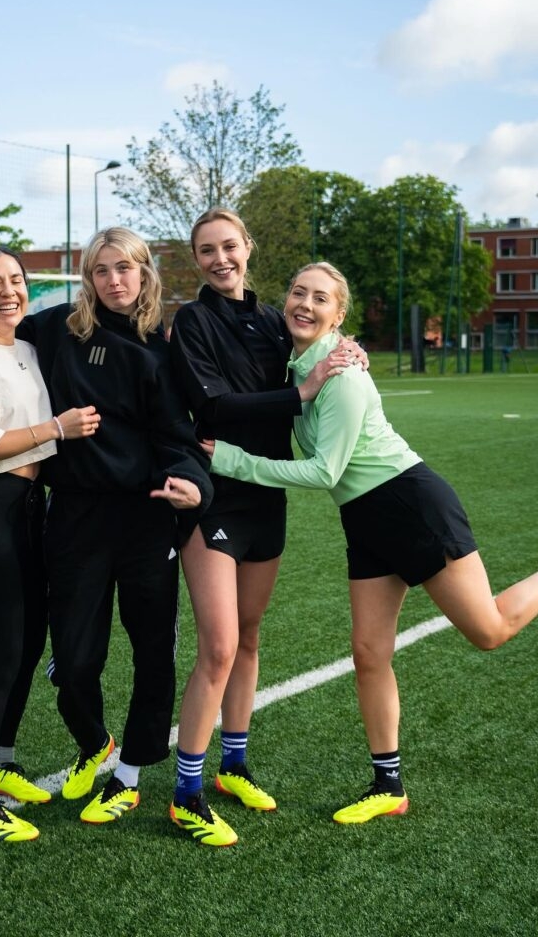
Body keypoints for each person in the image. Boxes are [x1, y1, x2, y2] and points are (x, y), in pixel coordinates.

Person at [204, 260, 538, 825]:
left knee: (489, 631)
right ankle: (389, 783)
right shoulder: (296, 364)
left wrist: (232, 460)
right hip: (365, 522)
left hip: (411, 506)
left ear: (339, 316)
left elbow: (325, 472)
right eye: (297, 293)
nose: (304, 305)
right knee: (369, 654)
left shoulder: (345, 377)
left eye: (320, 299)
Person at [0, 228, 213, 827]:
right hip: (74, 517)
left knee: (152, 651)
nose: (115, 280)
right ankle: (93, 742)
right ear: (88, 276)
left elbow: (178, 438)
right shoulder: (57, 328)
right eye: (103, 269)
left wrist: (196, 486)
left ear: (145, 275)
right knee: (73, 661)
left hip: (145, 520)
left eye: (126, 269)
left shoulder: (163, 348)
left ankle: (130, 775)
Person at [167, 208, 367, 847]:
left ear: (248, 248)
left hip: (267, 498)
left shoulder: (275, 322)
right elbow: (213, 406)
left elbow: (320, 340)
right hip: (215, 498)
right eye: (206, 251)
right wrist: (304, 390)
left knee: (249, 639)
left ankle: (233, 766)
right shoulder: (193, 321)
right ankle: (186, 793)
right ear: (196, 259)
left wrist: (346, 350)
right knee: (219, 647)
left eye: (229, 246)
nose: (220, 259)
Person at [0, 246, 100, 842]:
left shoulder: (30, 349)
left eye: (16, 280)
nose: (9, 291)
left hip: (32, 514)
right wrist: (56, 428)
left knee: (29, 648)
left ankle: (2, 764)